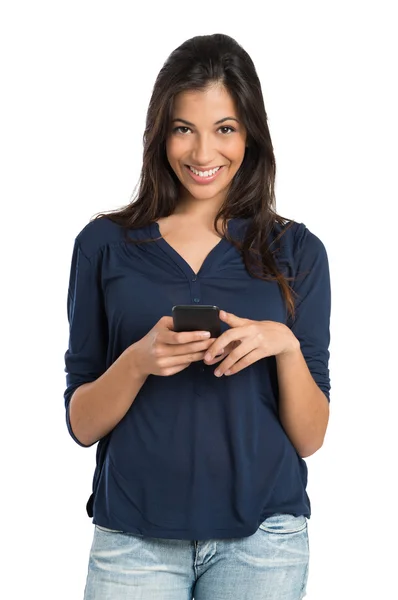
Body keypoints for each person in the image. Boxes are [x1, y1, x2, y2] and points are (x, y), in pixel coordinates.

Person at [64, 33, 331, 600]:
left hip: (263, 540)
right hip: (133, 539)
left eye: (225, 129)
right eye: (184, 128)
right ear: (161, 133)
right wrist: (139, 361)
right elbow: (82, 424)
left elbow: (310, 438)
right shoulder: (104, 245)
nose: (203, 153)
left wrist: (283, 344)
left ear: (250, 135)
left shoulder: (297, 252)